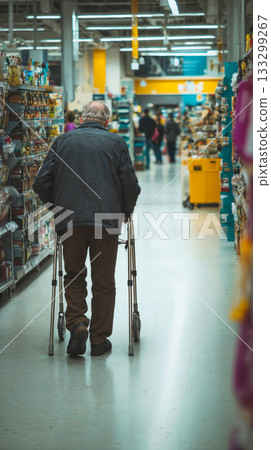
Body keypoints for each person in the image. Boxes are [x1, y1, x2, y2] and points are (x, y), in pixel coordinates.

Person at [33, 101, 141, 357]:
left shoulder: (62, 141)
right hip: (106, 219)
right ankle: (99, 339)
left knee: (73, 274)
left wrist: (56, 208)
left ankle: (78, 323)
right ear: (107, 121)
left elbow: (41, 182)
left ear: (82, 118)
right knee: (103, 281)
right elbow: (130, 183)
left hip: (69, 218)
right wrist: (126, 211)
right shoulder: (116, 143)